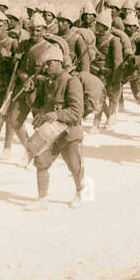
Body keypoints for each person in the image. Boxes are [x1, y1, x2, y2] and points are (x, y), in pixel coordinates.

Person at [27, 42, 87, 210]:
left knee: (75, 165)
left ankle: (81, 193)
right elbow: (40, 105)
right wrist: (31, 95)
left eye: (50, 63)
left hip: (68, 132)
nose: (47, 67)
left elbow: (77, 111)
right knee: (41, 162)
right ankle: (42, 199)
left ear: (59, 62)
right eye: (45, 65)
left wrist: (55, 115)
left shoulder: (71, 82)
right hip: (50, 132)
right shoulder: (47, 83)